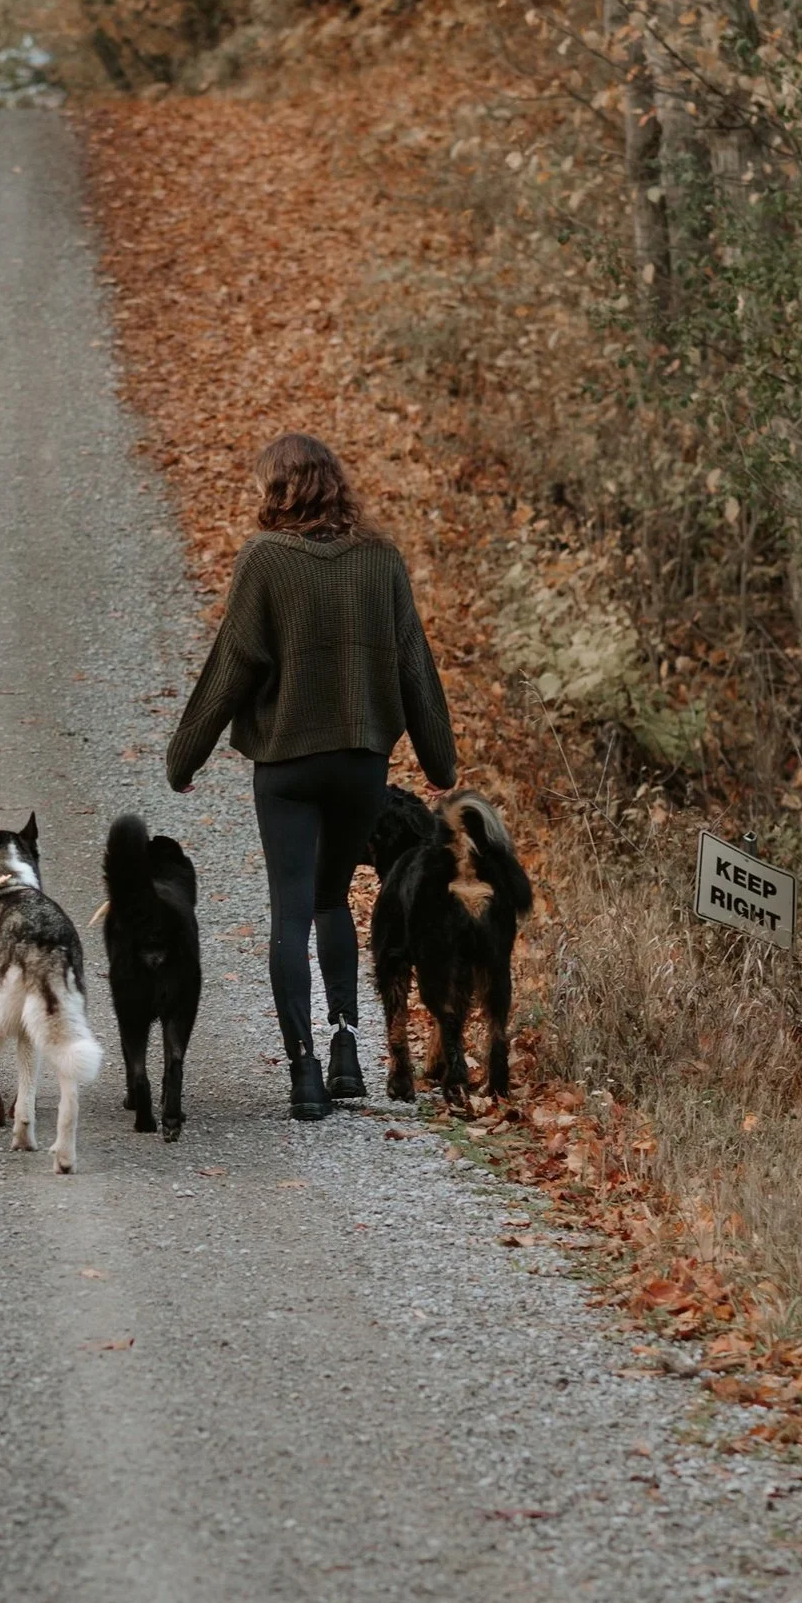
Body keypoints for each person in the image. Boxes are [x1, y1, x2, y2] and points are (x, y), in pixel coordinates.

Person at [166, 433, 457, 1122]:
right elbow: (415, 663)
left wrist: (185, 758)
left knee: (290, 911)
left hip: (289, 766)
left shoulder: (264, 560)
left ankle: (304, 1074)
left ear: (277, 490)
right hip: (360, 764)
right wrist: (441, 761)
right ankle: (348, 1050)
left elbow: (231, 665)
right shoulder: (381, 560)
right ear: (334, 485)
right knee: (332, 902)